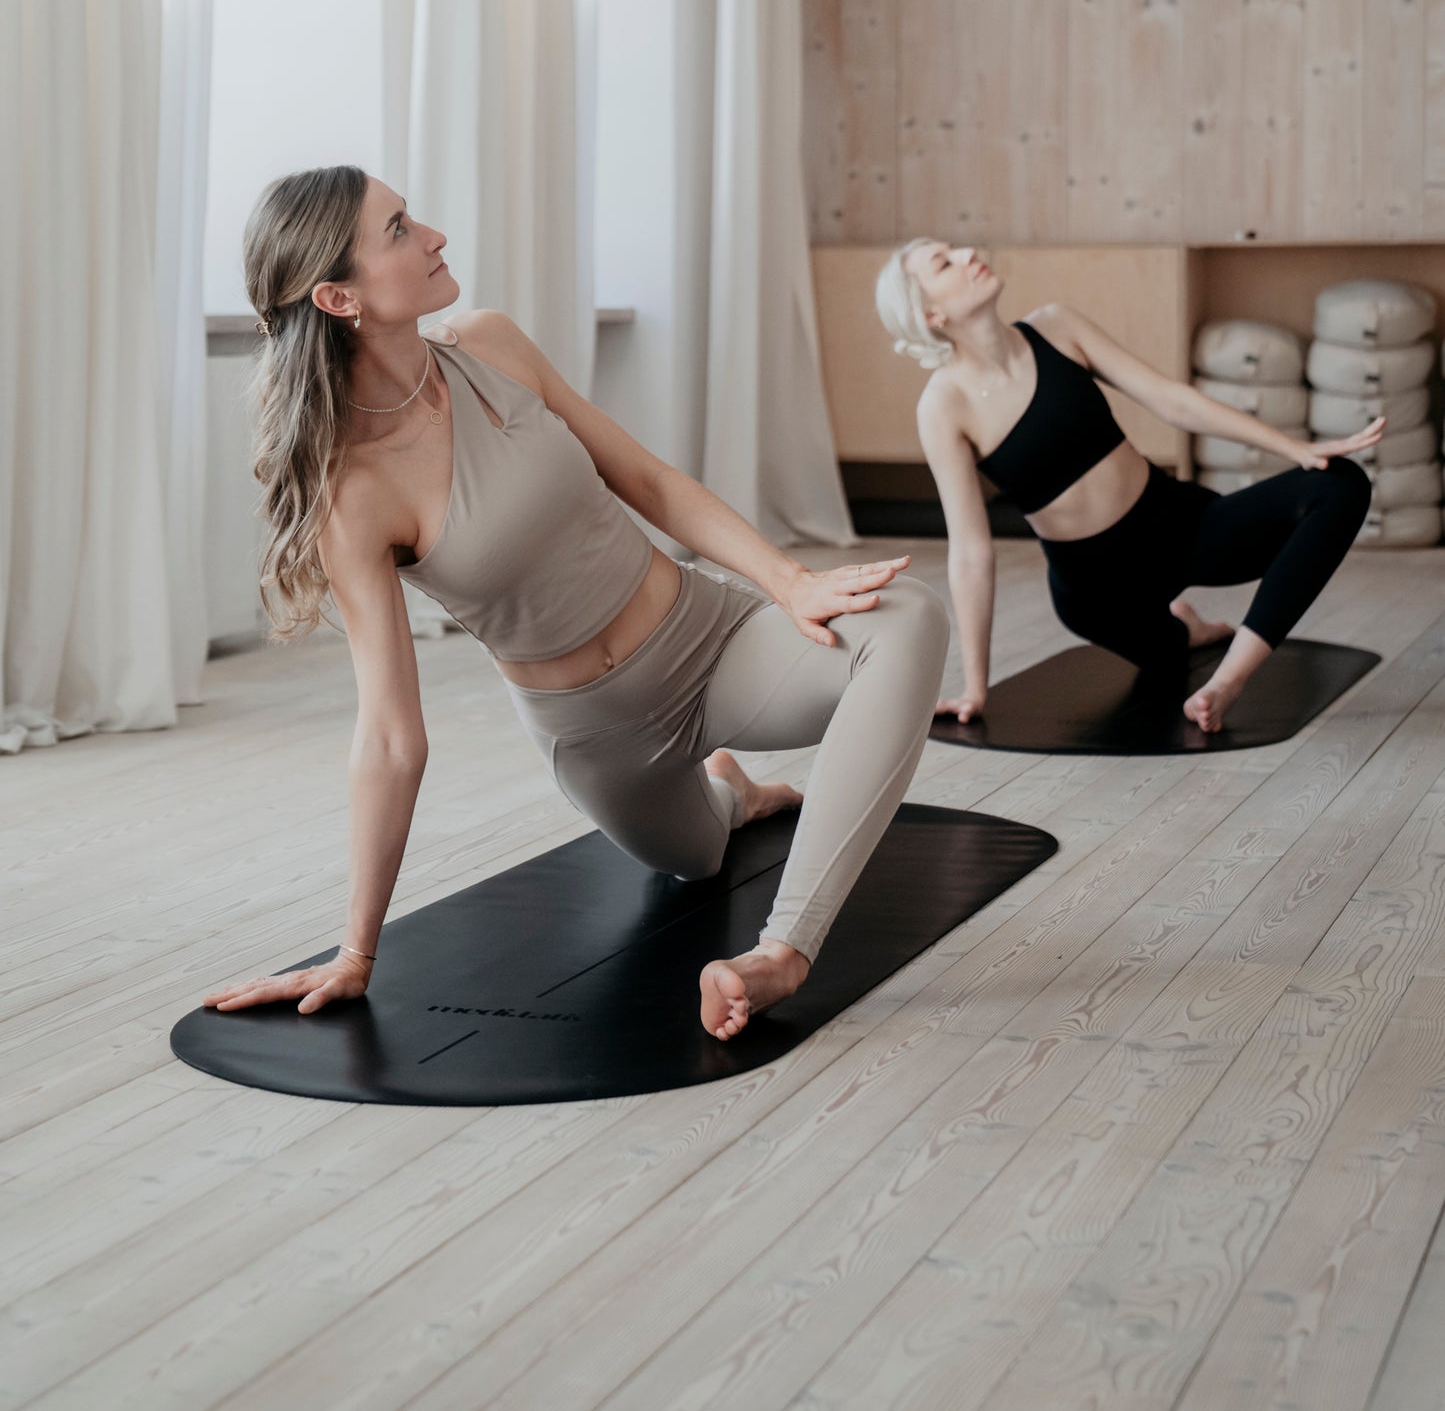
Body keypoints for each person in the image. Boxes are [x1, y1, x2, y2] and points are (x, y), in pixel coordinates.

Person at [203, 168, 951, 1042]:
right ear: (339, 296)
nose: (435, 235)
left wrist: (789, 583)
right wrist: (354, 954)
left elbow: (644, 479)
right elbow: (389, 735)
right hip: (602, 737)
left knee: (908, 620)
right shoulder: (352, 493)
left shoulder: (489, 345)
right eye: (400, 229)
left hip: (711, 641)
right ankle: (733, 795)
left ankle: (780, 952)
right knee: (700, 856)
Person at [875, 239, 1378, 734]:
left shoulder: (1056, 328)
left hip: (1179, 526)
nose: (967, 254)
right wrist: (976, 688)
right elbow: (970, 550)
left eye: (957, 249)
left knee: (1341, 484)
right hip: (1098, 592)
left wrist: (1296, 449)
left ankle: (1228, 680)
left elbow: (1170, 399)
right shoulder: (944, 407)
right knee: (1166, 654)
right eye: (945, 263)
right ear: (930, 316)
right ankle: (1189, 629)